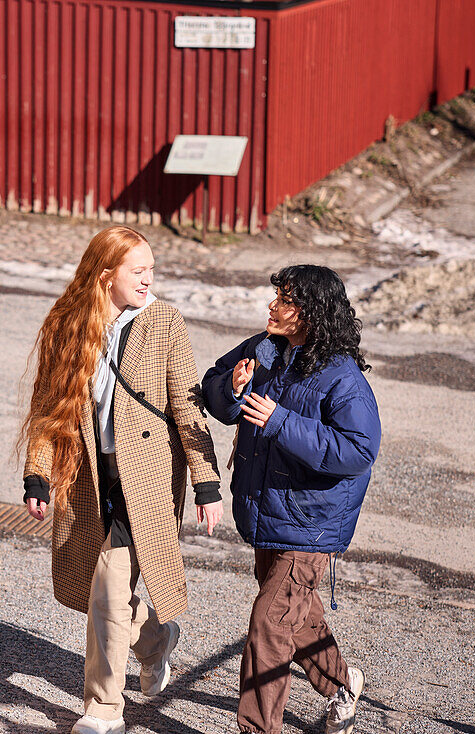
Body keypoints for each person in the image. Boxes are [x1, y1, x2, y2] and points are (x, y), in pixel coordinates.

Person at [20, 225, 223, 734]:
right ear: (106, 275)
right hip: (89, 477)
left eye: (152, 270)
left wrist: (206, 480)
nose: (149, 279)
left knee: (110, 590)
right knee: (103, 587)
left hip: (148, 480)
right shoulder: (68, 326)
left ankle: (104, 710)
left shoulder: (165, 325)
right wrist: (37, 476)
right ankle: (156, 641)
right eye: (138, 271)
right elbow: (49, 411)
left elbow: (187, 405)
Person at [201, 265, 381, 734]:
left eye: (285, 300)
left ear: (312, 313)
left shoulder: (342, 378)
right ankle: (343, 684)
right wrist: (233, 390)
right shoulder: (263, 349)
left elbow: (358, 450)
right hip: (267, 508)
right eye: (275, 296)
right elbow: (215, 385)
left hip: (311, 521)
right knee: (292, 615)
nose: (273, 306)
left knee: (269, 622)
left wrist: (280, 421)